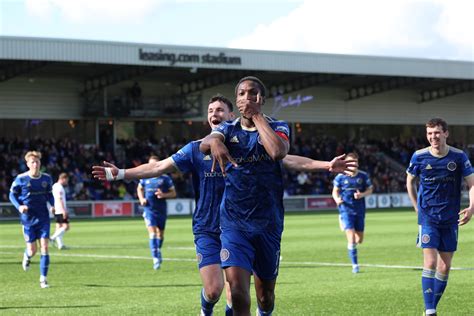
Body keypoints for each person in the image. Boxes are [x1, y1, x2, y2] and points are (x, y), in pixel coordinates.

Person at [92, 93, 356, 315]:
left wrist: (325, 166)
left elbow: (288, 159)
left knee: (236, 292)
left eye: (220, 109)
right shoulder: (195, 149)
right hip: (208, 228)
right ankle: (205, 310)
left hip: (241, 225)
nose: (213, 113)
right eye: (210, 110)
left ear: (232, 115)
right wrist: (122, 173)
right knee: (213, 290)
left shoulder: (250, 144)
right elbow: (160, 167)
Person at [199, 76, 290, 316]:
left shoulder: (279, 126)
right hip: (234, 224)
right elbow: (205, 144)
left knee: (265, 297)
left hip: (268, 223)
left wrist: (257, 116)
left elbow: (278, 152)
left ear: (261, 99)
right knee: (238, 293)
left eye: (252, 93)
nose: (245, 98)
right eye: (241, 94)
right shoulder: (227, 129)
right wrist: (215, 142)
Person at [406, 118, 473, 316]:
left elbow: (472, 184)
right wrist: (416, 206)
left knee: (445, 266)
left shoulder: (459, 157)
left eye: (436, 133)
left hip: (451, 217)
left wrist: (471, 208)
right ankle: (430, 311)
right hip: (428, 217)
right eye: (429, 134)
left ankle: (432, 305)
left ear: (445, 133)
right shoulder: (419, 156)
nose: (433, 137)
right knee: (430, 263)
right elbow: (409, 181)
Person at [9, 151, 54, 289]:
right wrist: (19, 206)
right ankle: (27, 256)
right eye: (32, 162)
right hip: (28, 219)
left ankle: (43, 279)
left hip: (43, 218)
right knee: (32, 250)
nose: (35, 164)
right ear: (28, 164)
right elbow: (12, 195)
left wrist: (52, 205)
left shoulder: (46, 178)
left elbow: (49, 195)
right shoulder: (21, 179)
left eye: (37, 162)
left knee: (45, 247)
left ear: (40, 163)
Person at [332, 152, 373, 274]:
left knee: (359, 239)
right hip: (345, 209)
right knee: (351, 239)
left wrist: (362, 195)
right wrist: (337, 199)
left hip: (360, 210)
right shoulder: (340, 177)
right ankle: (355, 265)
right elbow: (335, 191)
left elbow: (370, 189)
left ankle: (345, 224)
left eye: (354, 162)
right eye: (349, 162)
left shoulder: (363, 176)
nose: (352, 164)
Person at [136, 155, 176, 270]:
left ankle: (157, 250)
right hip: (149, 209)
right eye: (149, 164)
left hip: (161, 210)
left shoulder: (165, 179)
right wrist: (141, 199)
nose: (151, 166)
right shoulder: (144, 178)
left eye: (153, 164)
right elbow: (139, 189)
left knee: (160, 235)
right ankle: (155, 258)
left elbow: (173, 194)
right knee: (152, 233)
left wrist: (163, 195)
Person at [50, 172, 70, 250]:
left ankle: (60, 245)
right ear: (63, 179)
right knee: (66, 227)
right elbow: (59, 199)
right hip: (60, 210)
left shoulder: (54, 186)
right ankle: (52, 238)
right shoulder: (59, 187)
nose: (67, 182)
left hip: (56, 209)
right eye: (66, 180)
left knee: (58, 227)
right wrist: (63, 210)